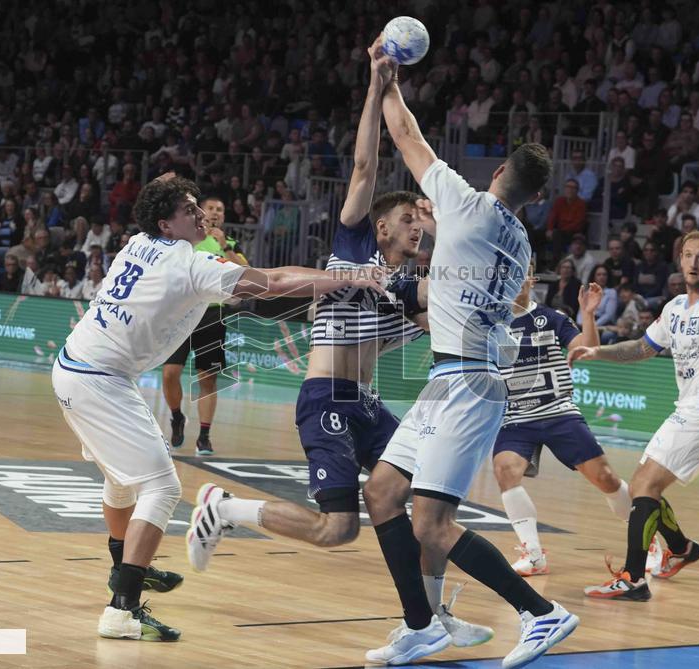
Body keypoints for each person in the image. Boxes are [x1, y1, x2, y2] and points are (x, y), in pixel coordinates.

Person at [183, 47, 492, 648]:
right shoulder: (354, 252)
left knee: (428, 497)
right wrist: (377, 89)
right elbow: (362, 168)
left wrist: (443, 224)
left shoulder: (416, 289)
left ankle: (428, 618)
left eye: (418, 221)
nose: (415, 225)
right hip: (325, 397)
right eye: (407, 218)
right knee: (338, 530)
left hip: (369, 404)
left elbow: (458, 298)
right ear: (381, 228)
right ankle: (225, 509)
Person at [52, 172, 385, 642]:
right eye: (190, 209)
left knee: (120, 479)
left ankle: (126, 569)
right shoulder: (191, 265)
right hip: (98, 380)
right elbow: (271, 281)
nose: (201, 214)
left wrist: (167, 185)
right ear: (167, 224)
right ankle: (121, 610)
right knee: (162, 488)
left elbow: (161, 202)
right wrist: (348, 277)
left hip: (77, 367)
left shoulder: (138, 242)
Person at [358, 41, 575, 667]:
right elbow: (463, 281)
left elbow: (406, 135)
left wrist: (385, 78)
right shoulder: (520, 244)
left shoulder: (467, 204)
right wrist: (440, 241)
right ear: (532, 196)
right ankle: (420, 626)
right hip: (455, 376)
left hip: (470, 383)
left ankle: (542, 614)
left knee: (429, 522)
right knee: (382, 493)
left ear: (499, 172)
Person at [571, 231, 699, 601]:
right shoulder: (675, 307)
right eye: (687, 255)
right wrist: (595, 352)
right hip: (690, 407)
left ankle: (634, 578)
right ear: (679, 260)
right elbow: (641, 348)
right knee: (639, 488)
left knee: (645, 486)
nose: (693, 263)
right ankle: (682, 548)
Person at [493, 262, 638, 577]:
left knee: (606, 479)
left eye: (521, 272)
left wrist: (588, 314)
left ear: (531, 277)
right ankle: (533, 555)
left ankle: (646, 537)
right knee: (505, 470)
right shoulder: (492, 324)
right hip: (517, 418)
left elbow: (588, 350)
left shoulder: (551, 318)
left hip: (558, 412)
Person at [161, 194, 249, 454]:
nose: (214, 212)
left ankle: (204, 436)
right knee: (170, 373)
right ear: (199, 211)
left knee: (207, 378)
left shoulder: (228, 241)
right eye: (210, 207)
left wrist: (226, 247)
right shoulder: (184, 236)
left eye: (219, 209)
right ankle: (177, 417)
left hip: (212, 315)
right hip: (181, 313)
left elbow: (246, 273)